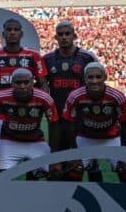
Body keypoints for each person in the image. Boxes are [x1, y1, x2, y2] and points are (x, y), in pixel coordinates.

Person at [42, 20, 97, 179]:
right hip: (58, 118)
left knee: (87, 160)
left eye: (67, 34)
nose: (64, 37)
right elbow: (43, 87)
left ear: (75, 36)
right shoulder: (48, 59)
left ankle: (95, 190)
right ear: (55, 37)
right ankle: (59, 192)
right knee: (58, 160)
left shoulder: (87, 57)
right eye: (60, 34)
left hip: (82, 117)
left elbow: (97, 83)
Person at [0, 18, 47, 153]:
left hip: (28, 111)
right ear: (3, 34)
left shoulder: (33, 56)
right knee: (3, 151)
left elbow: (43, 85)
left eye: (16, 29)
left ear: (21, 34)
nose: (12, 32)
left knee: (30, 148)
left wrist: (40, 105)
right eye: (9, 29)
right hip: (2, 113)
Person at [0, 68, 56, 179]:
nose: (22, 86)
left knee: (46, 173)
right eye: (18, 83)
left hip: (36, 141)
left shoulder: (44, 98)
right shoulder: (0, 96)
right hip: (9, 141)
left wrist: (53, 152)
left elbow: (54, 124)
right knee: (5, 178)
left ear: (32, 82)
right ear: (12, 83)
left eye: (26, 82)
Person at [62, 62, 126, 183]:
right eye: (90, 77)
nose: (94, 81)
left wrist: (124, 154)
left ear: (105, 77)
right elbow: (70, 125)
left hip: (111, 139)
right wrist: (75, 152)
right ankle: (75, 196)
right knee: (74, 170)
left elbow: (125, 125)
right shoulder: (75, 96)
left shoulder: (117, 96)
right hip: (85, 138)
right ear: (85, 78)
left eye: (98, 77)